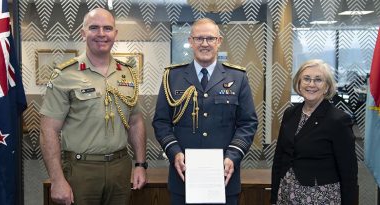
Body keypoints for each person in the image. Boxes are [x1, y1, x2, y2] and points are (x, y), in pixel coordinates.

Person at [40, 8, 147, 205]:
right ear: (83, 33)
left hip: (120, 167)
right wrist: (56, 180)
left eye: (107, 28)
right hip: (81, 170)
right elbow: (49, 130)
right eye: (94, 28)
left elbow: (136, 121)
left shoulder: (128, 74)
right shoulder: (65, 75)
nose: (101, 34)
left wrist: (140, 164)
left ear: (115, 34)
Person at [152, 18, 258, 205]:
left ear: (219, 41)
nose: (205, 44)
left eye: (210, 38)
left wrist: (233, 155)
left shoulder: (238, 77)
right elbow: (161, 122)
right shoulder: (173, 77)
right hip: (183, 176)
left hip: (224, 177)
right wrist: (174, 152)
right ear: (191, 41)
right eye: (199, 38)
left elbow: (248, 123)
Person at [271, 59, 358, 205]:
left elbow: (348, 171)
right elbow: (279, 158)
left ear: (327, 87)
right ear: (299, 83)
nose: (311, 84)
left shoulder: (338, 120)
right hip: (286, 192)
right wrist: (274, 197)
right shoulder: (290, 113)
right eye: (306, 79)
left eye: (318, 80)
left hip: (321, 196)